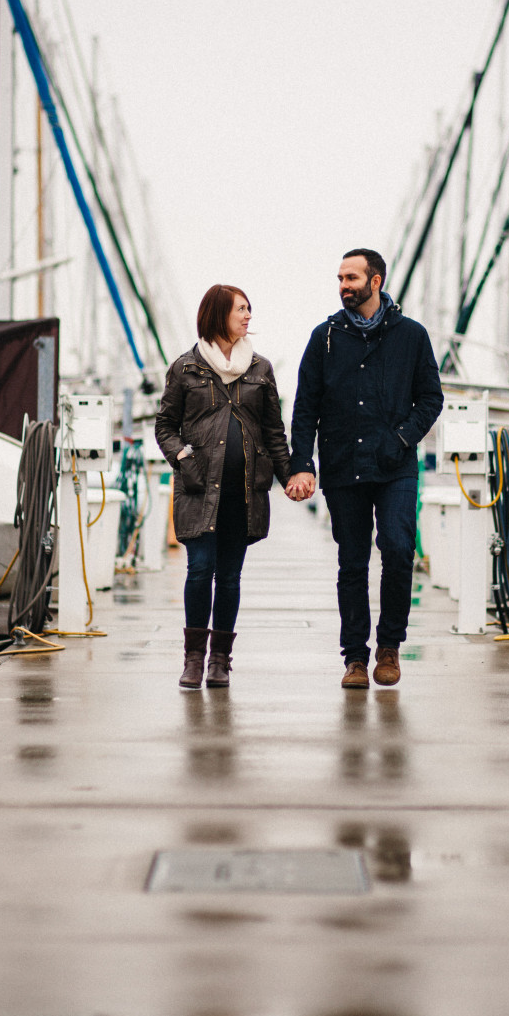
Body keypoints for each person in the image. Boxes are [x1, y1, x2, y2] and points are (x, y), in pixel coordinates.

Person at [286, 249, 443, 688]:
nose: (343, 285)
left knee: (397, 549)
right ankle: (355, 657)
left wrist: (401, 438)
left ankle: (389, 647)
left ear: (376, 281)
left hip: (394, 464)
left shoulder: (411, 335)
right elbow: (305, 406)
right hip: (342, 466)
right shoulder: (325, 337)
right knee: (352, 563)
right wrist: (303, 463)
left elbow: (431, 398)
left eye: (351, 277)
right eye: (339, 278)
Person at [155, 285, 291, 688]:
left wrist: (293, 477)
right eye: (241, 309)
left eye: (250, 308)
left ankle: (220, 660)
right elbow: (165, 425)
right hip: (199, 490)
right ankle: (193, 658)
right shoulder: (186, 368)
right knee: (199, 571)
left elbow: (273, 431)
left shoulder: (261, 369)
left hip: (244, 492)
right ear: (218, 314)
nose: (248, 316)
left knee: (229, 578)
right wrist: (182, 457)